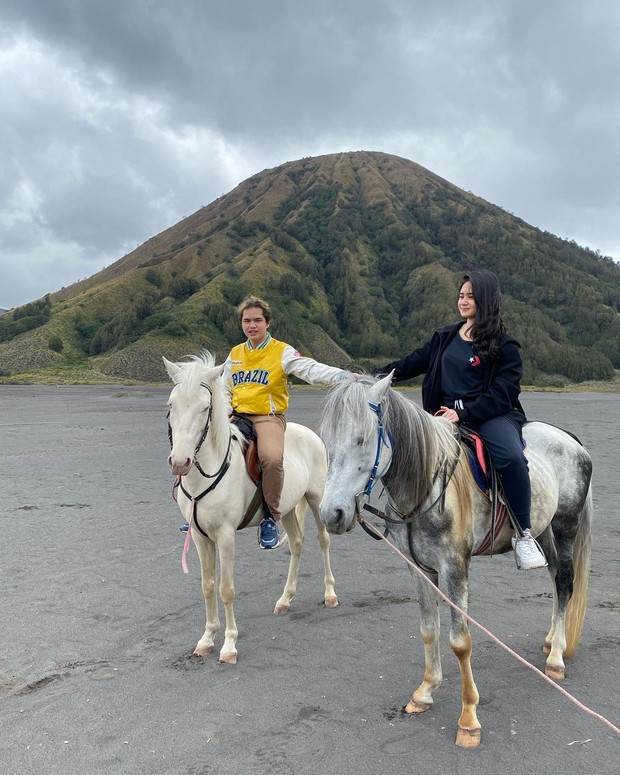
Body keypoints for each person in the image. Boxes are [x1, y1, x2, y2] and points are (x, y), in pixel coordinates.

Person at [374, 269, 547, 570]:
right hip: (443, 417)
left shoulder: (505, 347)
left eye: (470, 296)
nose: (463, 301)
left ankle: (524, 534)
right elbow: (411, 363)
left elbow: (504, 393)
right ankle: (405, 518)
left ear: (485, 300)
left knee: (510, 459)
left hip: (491, 417)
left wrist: (464, 413)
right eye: (461, 296)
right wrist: (373, 376)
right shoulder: (445, 337)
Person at [186, 295, 349, 548]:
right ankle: (199, 509)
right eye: (247, 321)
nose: (252, 325)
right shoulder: (235, 353)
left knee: (271, 458)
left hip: (267, 417)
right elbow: (225, 388)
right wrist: (226, 410)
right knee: (198, 445)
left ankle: (270, 518)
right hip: (237, 416)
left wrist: (343, 376)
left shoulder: (281, 352)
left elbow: (310, 369)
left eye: (257, 320)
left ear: (267, 323)